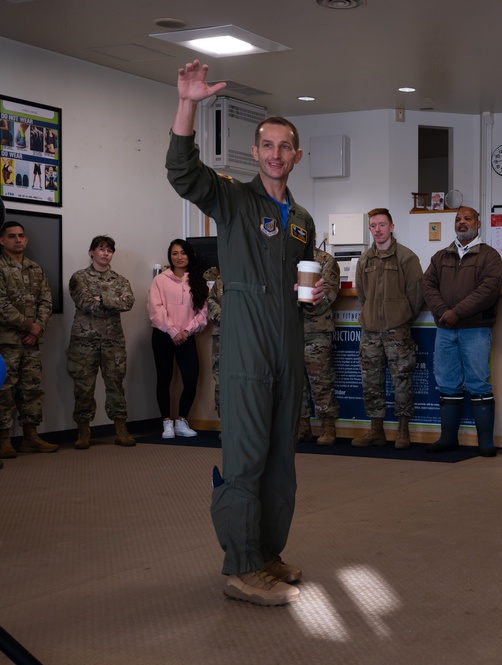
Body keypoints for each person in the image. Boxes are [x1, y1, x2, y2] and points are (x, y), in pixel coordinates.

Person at [167, 59, 324, 606]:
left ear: (297, 155)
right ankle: (239, 566)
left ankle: (267, 553)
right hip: (246, 348)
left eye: (286, 146)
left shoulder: (302, 217)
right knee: (247, 457)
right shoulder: (234, 200)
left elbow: (300, 280)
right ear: (254, 153)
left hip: (287, 343)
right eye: (267, 145)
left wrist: (316, 291)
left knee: (282, 458)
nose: (276, 154)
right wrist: (189, 103)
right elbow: (183, 174)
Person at [423, 206, 502, 457]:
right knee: (447, 384)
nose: (461, 223)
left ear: (478, 224)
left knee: (478, 383)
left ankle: (485, 442)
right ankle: (448, 439)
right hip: (445, 329)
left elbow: (488, 290)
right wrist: (441, 311)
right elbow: (427, 284)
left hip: (475, 330)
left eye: (467, 219)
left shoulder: (489, 256)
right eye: (458, 219)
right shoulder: (441, 256)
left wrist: (456, 311)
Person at [352, 209, 422, 450]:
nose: (378, 229)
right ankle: (376, 430)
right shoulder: (364, 259)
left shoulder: (406, 257)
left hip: (397, 331)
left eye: (382, 224)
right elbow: (361, 293)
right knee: (370, 382)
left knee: (401, 380)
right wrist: (371, 312)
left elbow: (416, 294)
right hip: (370, 332)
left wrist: (400, 315)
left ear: (392, 227)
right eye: (373, 225)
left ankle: (403, 431)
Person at [66, 235, 137, 449]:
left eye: (109, 250)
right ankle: (83, 431)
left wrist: (102, 299)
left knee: (116, 384)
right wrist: (113, 301)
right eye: (101, 249)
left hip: (112, 341)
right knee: (84, 387)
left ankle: (121, 430)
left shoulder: (120, 280)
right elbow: (87, 303)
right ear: (91, 252)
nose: (106, 253)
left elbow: (129, 302)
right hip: (84, 341)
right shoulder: (78, 278)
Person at [0, 219, 58, 458]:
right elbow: (1, 304)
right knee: (4, 390)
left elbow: (46, 301)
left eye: (21, 236)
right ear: (2, 240)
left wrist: (39, 328)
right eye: (12, 236)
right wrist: (29, 325)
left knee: (32, 389)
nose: (18, 240)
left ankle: (30, 437)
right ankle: (3, 439)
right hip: (6, 342)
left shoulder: (36, 269)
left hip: (32, 342)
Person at [147, 238, 209, 439]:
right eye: (175, 253)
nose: (179, 257)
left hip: (187, 336)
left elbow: (203, 313)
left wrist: (186, 331)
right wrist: (173, 331)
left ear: (190, 255)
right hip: (164, 336)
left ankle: (182, 421)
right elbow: (156, 310)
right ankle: (166, 422)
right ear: (169, 256)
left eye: (183, 253)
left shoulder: (198, 280)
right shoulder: (160, 280)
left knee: (191, 379)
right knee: (163, 379)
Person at [299, 246, 341, 446]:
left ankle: (327, 426)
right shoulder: (285, 257)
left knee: (321, 381)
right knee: (295, 383)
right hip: (290, 329)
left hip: (317, 330)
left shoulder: (326, 260)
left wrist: (306, 299)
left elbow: (329, 294)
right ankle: (302, 427)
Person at [206, 269, 223, 435]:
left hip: (249, 334)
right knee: (221, 379)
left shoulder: (255, 272)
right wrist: (228, 317)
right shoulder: (222, 277)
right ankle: (225, 422)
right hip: (223, 334)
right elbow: (211, 301)